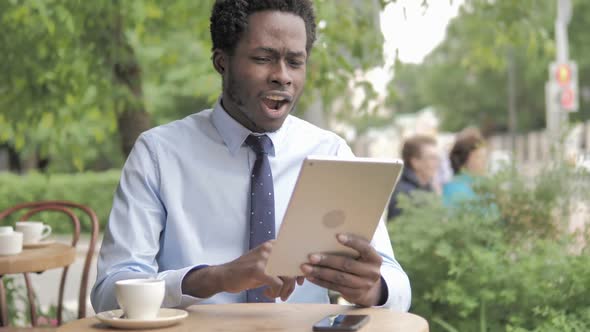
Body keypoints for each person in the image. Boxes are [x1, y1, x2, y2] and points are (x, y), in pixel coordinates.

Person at [91, 0, 411, 313]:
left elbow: (398, 286)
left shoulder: (332, 153)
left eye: (295, 62)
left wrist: (374, 287)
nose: (282, 76)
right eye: (263, 58)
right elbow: (110, 292)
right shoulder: (158, 154)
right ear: (221, 62)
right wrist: (216, 278)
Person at [387, 135, 440, 220]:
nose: (437, 163)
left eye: (437, 158)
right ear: (415, 162)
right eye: (432, 158)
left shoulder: (427, 187)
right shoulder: (403, 195)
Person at [443, 128, 488, 207]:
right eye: (479, 157)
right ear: (464, 159)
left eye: (485, 157)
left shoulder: (484, 185)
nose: (484, 162)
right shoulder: (455, 189)